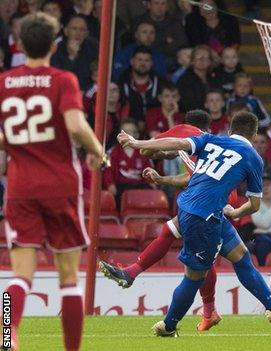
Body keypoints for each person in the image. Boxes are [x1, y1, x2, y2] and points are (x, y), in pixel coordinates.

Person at [116, 111, 271, 336]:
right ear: (255, 135)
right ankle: (169, 326)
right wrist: (235, 212)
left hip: (198, 209)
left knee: (241, 254)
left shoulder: (212, 139)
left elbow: (178, 143)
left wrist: (136, 141)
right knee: (194, 276)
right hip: (203, 217)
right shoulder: (253, 158)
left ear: (230, 130)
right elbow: (254, 205)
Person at [0, 12, 105, 350]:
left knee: (20, 275)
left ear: (20, 44)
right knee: (69, 278)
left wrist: (14, 151)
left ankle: (5, 333)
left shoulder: (4, 83)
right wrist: (97, 151)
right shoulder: (62, 79)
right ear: (54, 43)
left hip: (20, 186)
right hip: (59, 184)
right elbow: (75, 125)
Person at [99, 109, 228, 331]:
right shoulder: (209, 148)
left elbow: (155, 147)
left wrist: (135, 142)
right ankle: (132, 273)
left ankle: (191, 317)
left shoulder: (187, 132)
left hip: (214, 204)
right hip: (214, 200)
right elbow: (192, 178)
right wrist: (162, 178)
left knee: (212, 263)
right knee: (173, 234)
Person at [104, 119, 154, 204]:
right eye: (125, 132)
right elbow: (108, 172)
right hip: (121, 188)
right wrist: (110, 185)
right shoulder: (113, 152)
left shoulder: (144, 152)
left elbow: (149, 172)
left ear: (137, 134)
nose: (128, 135)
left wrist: (152, 183)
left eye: (131, 132)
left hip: (140, 187)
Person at [116, 45, 167, 128]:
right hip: (129, 129)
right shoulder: (121, 82)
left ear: (152, 63)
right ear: (132, 61)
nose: (143, 63)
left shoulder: (162, 83)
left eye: (147, 60)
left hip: (156, 127)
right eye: (139, 60)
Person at [50, 14, 98, 91]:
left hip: (88, 93)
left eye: (82, 30)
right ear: (66, 31)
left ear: (86, 33)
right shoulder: (56, 49)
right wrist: (71, 57)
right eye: (74, 29)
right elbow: (60, 79)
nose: (78, 33)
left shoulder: (94, 47)